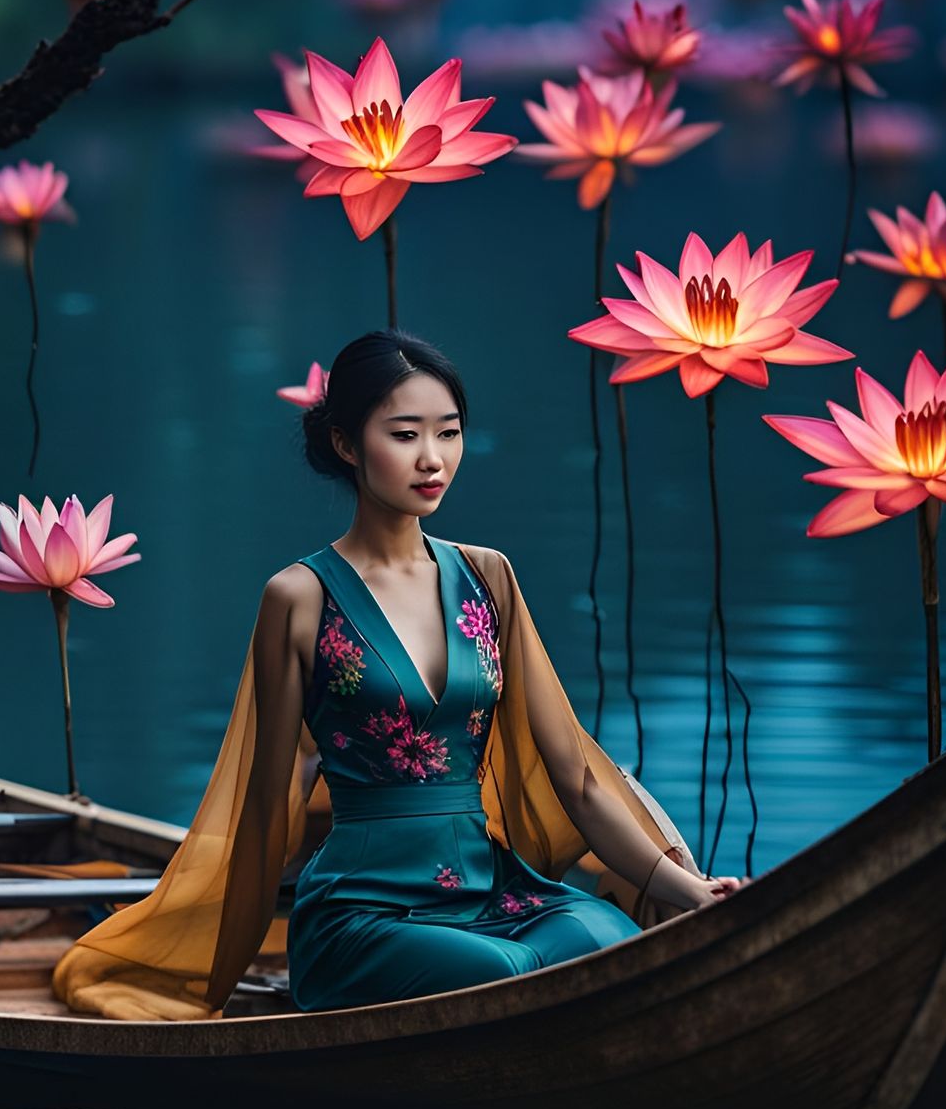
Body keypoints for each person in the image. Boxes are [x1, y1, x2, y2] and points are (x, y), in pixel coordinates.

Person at [53, 330, 740, 1021]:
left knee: (608, 940)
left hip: (492, 891)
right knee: (508, 974)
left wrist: (687, 890)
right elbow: (264, 810)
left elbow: (580, 780)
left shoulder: (488, 577)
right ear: (348, 446)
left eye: (449, 433)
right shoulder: (298, 598)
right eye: (406, 435)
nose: (433, 459)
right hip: (365, 912)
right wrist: (217, 968)